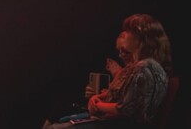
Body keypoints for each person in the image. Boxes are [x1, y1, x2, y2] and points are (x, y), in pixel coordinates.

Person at [44, 13, 172, 129]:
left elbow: (126, 109)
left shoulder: (145, 67)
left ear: (140, 37)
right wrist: (97, 97)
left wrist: (98, 104)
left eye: (128, 32)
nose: (125, 35)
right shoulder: (147, 66)